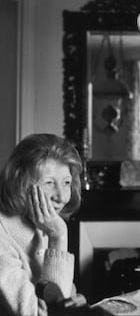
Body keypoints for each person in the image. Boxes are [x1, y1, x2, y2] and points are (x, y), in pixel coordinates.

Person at [0, 133, 87, 315]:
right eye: (49, 183)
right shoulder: (3, 235)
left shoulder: (43, 221)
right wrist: (59, 237)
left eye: (66, 182)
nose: (62, 196)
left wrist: (74, 302)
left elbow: (63, 298)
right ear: (21, 184)